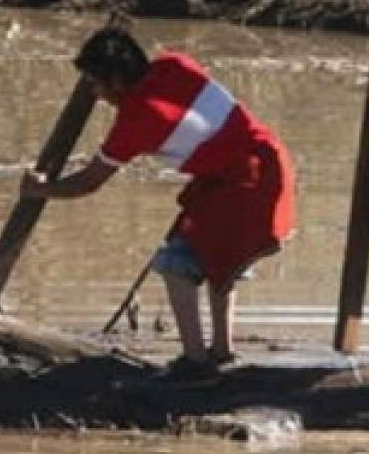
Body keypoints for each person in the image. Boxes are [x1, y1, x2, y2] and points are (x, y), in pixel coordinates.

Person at [20, 27, 295, 379]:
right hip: (266, 164)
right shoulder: (173, 65)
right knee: (219, 263)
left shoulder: (138, 119)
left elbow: (89, 182)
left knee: (177, 263)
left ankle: (196, 362)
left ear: (117, 80)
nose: (95, 93)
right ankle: (221, 353)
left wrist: (40, 190)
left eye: (96, 83)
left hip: (244, 185)